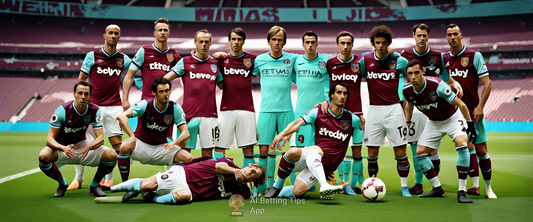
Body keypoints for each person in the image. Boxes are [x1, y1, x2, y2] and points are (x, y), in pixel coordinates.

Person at [264, 83, 363, 200]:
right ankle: (276, 187)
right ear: (331, 95)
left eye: (345, 93)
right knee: (293, 152)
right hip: (315, 153)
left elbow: (357, 150)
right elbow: (297, 123)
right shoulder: (318, 112)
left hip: (328, 163)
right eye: (339, 92)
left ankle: (279, 193)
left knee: (297, 191)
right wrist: (281, 134)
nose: (342, 96)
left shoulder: (353, 120)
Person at [400, 23, 463, 195]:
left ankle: (434, 184)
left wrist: (455, 83)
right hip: (416, 103)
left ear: (428, 37)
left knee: (432, 149)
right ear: (413, 36)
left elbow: (445, 76)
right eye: (418, 35)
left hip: (435, 104)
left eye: (424, 35)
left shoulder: (437, 56)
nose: (421, 38)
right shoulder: (404, 56)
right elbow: (397, 76)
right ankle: (419, 183)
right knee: (415, 145)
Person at [403, 59, 477, 203]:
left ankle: (462, 191)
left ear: (423, 72)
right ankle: (437, 188)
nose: (413, 77)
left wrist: (471, 125)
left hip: (453, 118)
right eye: (410, 73)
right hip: (434, 122)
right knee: (420, 153)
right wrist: (408, 122)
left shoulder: (438, 86)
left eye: (416, 73)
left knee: (462, 144)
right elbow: (409, 106)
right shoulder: (407, 90)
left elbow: (461, 104)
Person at [69, 24, 131, 191]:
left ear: (119, 36)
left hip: (114, 106)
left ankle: (108, 179)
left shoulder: (123, 59)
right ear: (104, 35)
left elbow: (133, 73)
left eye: (116, 33)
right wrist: (79, 98)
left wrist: (128, 96)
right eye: (110, 32)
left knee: (116, 143)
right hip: (92, 106)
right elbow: (82, 79)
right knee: (79, 139)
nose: (113, 35)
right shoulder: (92, 56)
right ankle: (78, 178)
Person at [38, 81, 118, 197]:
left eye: (86, 94)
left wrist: (88, 147)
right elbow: (49, 140)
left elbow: (100, 138)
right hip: (62, 148)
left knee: (112, 155)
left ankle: (95, 185)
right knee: (43, 156)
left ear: (90, 95)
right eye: (80, 93)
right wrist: (63, 148)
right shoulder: (62, 111)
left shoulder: (94, 110)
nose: (83, 97)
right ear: (74, 94)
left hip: (82, 145)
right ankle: (62, 184)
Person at [443, 23, 496, 198]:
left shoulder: (474, 56)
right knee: (464, 146)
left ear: (461, 35)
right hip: (451, 112)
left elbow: (487, 84)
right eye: (449, 34)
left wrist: (480, 107)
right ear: (446, 37)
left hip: (473, 111)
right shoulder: (443, 60)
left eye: (455, 34)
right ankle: (465, 186)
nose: (452, 37)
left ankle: (488, 188)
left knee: (480, 149)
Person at [358, 25, 411, 196]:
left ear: (388, 43)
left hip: (395, 109)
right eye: (377, 42)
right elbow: (352, 75)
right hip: (374, 110)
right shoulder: (365, 60)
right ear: (373, 43)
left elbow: (412, 78)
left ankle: (404, 187)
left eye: (383, 42)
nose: (380, 45)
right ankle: (372, 185)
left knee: (401, 151)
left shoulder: (399, 60)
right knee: (372, 152)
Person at [115, 78, 193, 187]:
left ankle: (173, 183)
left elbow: (186, 133)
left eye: (167, 90)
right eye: (161, 91)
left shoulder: (175, 108)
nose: (165, 94)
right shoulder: (145, 104)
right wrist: (132, 136)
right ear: (154, 93)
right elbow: (121, 117)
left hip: (162, 148)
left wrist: (174, 143)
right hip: (141, 146)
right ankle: (125, 185)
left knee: (188, 158)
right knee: (125, 145)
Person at [252, 26, 298, 192]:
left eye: (280, 39)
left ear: (284, 42)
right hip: (266, 110)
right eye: (274, 39)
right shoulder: (259, 60)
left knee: (294, 149)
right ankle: (265, 186)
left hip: (287, 110)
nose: (277, 42)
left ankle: (295, 186)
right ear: (269, 41)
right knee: (263, 150)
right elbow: (242, 70)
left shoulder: (292, 59)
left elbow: (309, 62)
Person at [164, 29, 223, 157]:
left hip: (210, 115)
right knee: (184, 153)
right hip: (189, 114)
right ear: (195, 43)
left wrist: (226, 61)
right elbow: (165, 79)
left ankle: (205, 177)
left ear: (210, 43)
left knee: (207, 153)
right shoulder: (185, 62)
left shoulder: (215, 63)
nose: (203, 44)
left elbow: (224, 85)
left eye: (206, 42)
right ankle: (181, 177)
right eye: (201, 41)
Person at [110, 157, 266, 204]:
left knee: (183, 197)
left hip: (191, 192)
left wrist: (256, 191)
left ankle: (154, 197)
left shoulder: (243, 192)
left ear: (254, 180)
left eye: (254, 174)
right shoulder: (230, 164)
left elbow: (253, 197)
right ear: (248, 165)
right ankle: (115, 188)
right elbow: (219, 167)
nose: (250, 173)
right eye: (251, 169)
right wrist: (236, 171)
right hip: (183, 174)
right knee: (148, 184)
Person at [321, 31, 366, 194]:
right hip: (337, 115)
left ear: (352, 44)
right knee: (340, 150)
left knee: (357, 151)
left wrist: (360, 111)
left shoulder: (360, 63)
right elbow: (325, 84)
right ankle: (343, 183)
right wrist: (325, 98)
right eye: (342, 43)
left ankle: (353, 185)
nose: (345, 46)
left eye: (348, 43)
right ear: (338, 44)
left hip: (356, 114)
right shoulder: (330, 63)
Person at [216, 28, 258, 168]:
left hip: (246, 108)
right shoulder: (222, 60)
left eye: (239, 39)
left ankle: (249, 185)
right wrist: (215, 55)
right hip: (226, 108)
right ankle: (218, 183)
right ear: (229, 41)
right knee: (220, 148)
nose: (236, 42)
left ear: (243, 41)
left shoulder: (252, 59)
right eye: (233, 39)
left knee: (248, 149)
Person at [122, 18, 181, 109]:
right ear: (155, 33)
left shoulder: (173, 54)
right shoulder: (144, 51)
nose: (162, 32)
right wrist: (125, 100)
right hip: (147, 102)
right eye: (160, 30)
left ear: (169, 33)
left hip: (164, 103)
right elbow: (129, 75)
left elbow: (185, 71)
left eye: (165, 30)